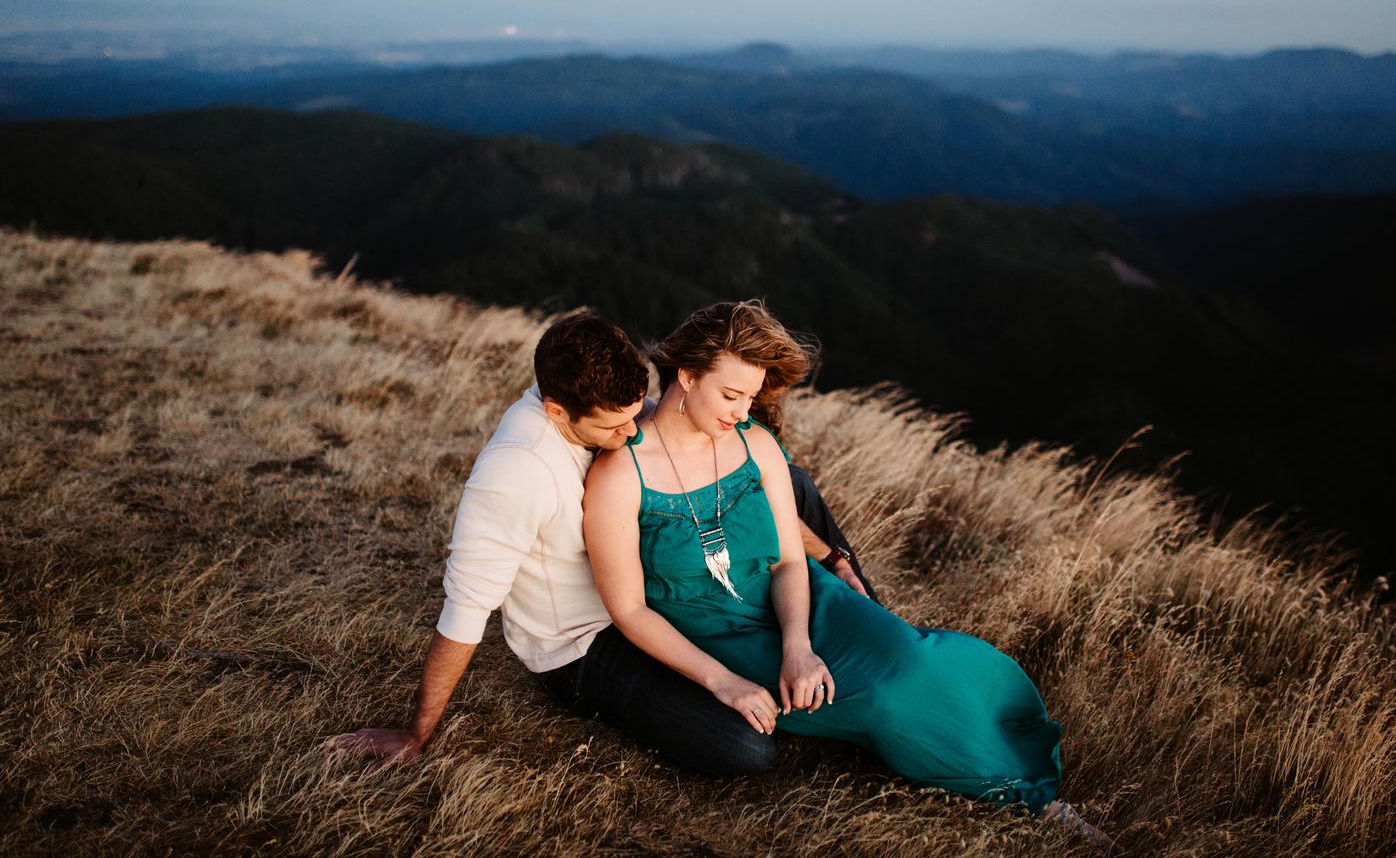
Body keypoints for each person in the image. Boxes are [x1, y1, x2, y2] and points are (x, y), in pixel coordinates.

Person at [583, 300, 1108, 844]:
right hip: (720, 635)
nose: (743, 411)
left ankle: (1003, 718)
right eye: (732, 395)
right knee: (883, 701)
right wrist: (725, 683)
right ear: (687, 377)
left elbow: (789, 559)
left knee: (909, 655)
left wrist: (798, 646)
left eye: (751, 397)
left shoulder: (754, 444)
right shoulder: (621, 474)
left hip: (802, 603)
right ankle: (1029, 802)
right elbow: (629, 609)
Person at [337, 311, 875, 776]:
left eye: (635, 413)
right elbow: (464, 611)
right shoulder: (515, 474)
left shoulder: (605, 404)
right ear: (555, 412)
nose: (634, 434)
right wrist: (416, 732)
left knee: (789, 479)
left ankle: (858, 604)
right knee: (744, 747)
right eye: (617, 428)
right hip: (586, 641)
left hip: (654, 587)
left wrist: (828, 552)